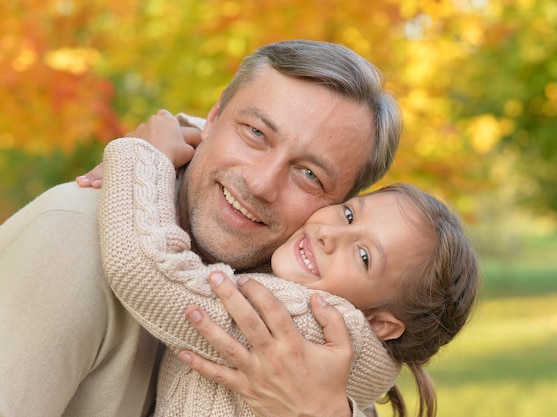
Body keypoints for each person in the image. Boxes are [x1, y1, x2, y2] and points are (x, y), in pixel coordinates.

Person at [0, 40, 401, 417]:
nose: (261, 184)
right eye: (255, 133)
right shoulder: (70, 238)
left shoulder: (312, 312)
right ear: (212, 119)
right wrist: (140, 162)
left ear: (337, 206)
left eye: (310, 175)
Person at [98, 125, 478, 417]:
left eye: (363, 256)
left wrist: (144, 153)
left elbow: (144, 271)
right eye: (349, 215)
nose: (330, 235)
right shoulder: (361, 360)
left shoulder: (295, 323)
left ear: (382, 324)